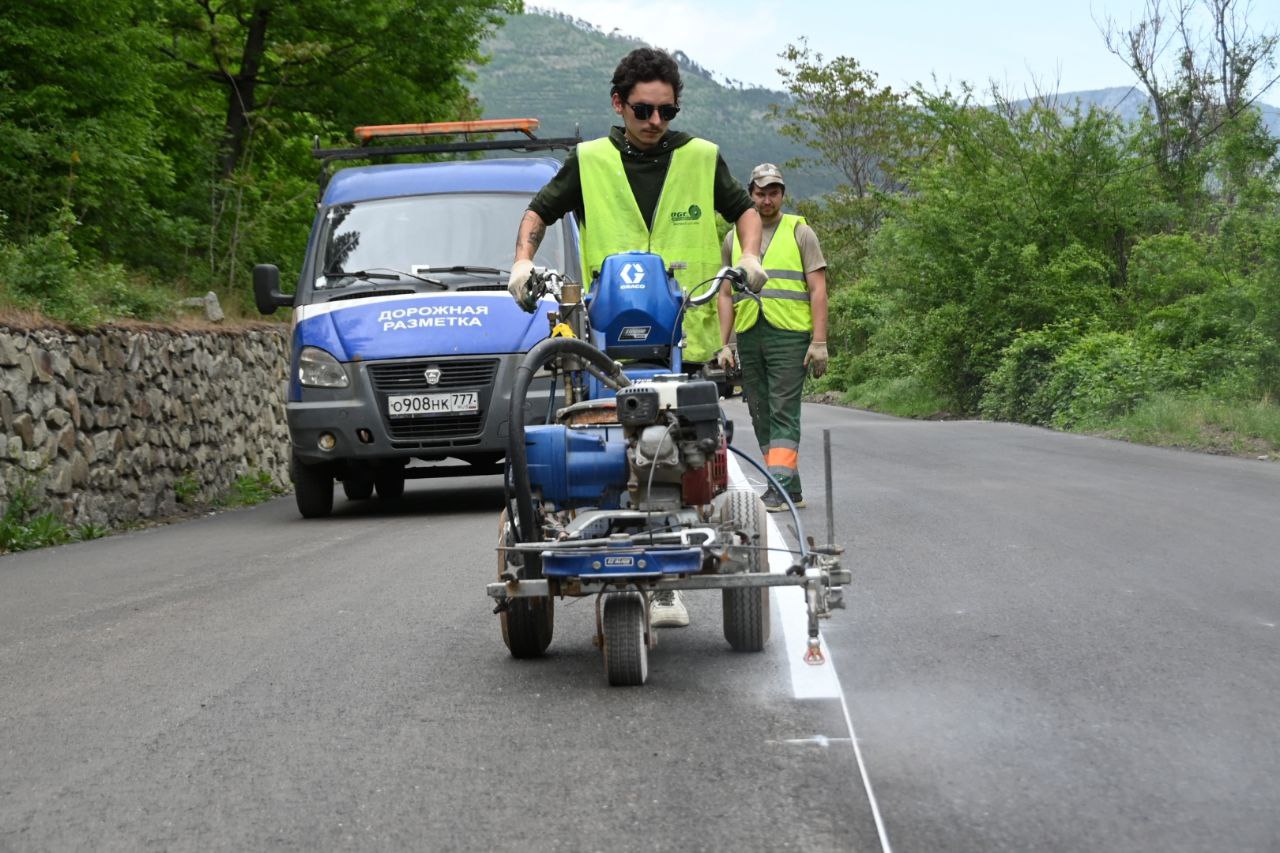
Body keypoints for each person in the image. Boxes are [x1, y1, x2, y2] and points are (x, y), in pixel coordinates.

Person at [506, 47, 766, 629]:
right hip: (605, 343)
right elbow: (537, 213)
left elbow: (745, 211)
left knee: (689, 450)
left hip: (686, 332)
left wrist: (748, 257)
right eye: (643, 110)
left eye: (666, 112)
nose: (655, 123)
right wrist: (523, 264)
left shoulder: (701, 157)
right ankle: (618, 553)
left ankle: (668, 570)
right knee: (604, 455)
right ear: (619, 104)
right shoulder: (589, 160)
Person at [716, 163, 828, 512]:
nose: (767, 200)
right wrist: (726, 344)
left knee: (783, 409)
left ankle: (778, 488)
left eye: (773, 192)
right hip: (750, 333)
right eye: (761, 193)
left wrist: (819, 342)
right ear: (750, 194)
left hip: (790, 335)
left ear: (783, 194)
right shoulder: (733, 238)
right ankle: (789, 489)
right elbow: (724, 295)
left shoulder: (800, 232)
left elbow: (818, 289)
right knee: (760, 411)